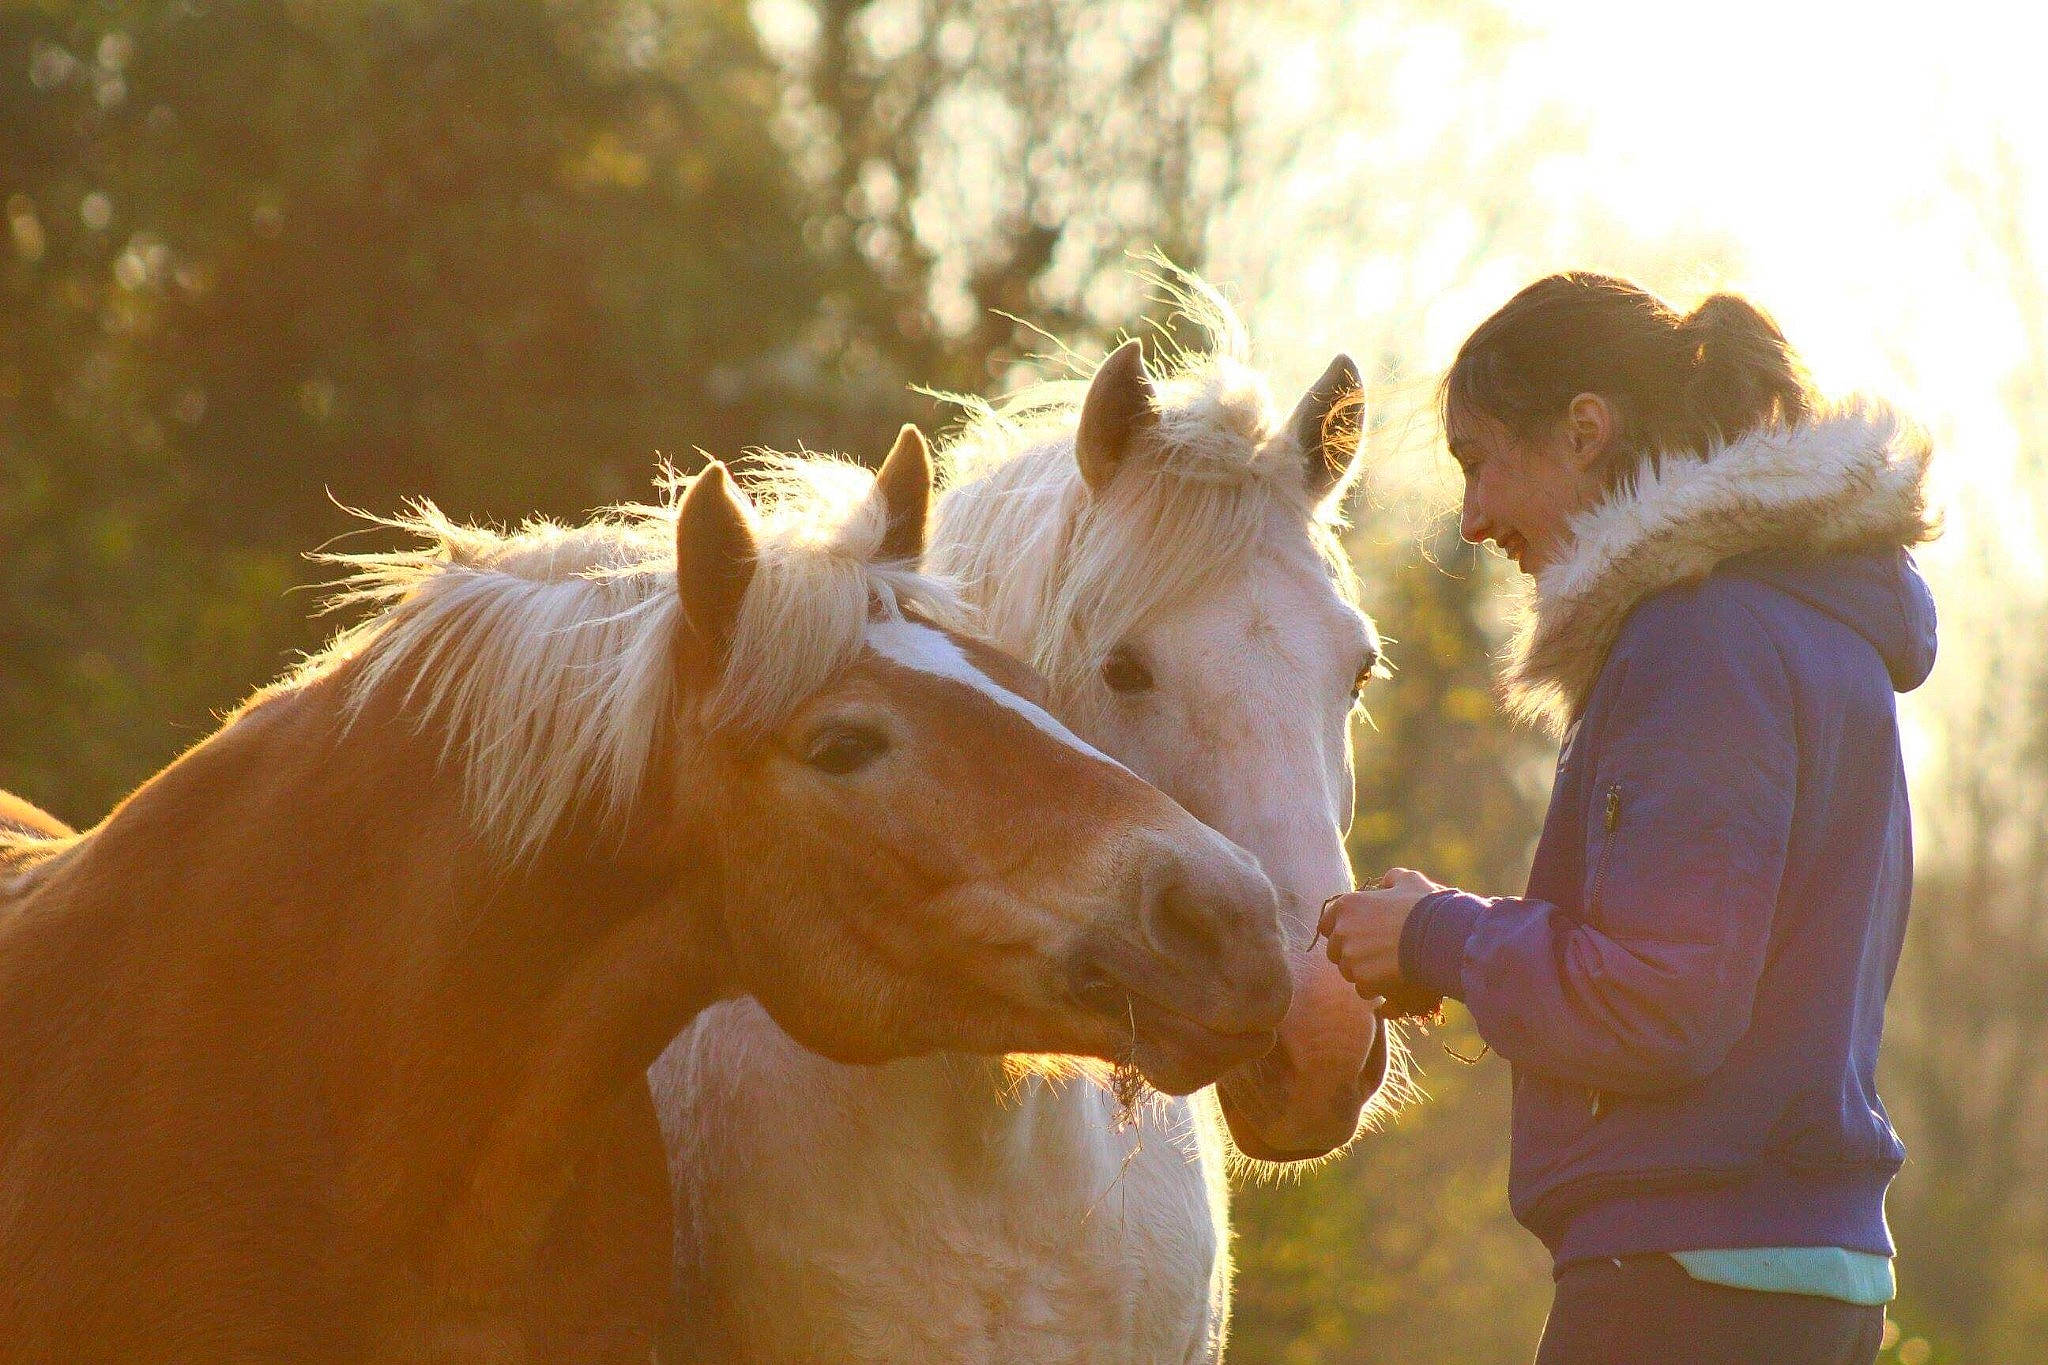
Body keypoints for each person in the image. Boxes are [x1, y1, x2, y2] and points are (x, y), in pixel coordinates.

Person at [1320, 272, 1937, 1365]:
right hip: (1802, 1273)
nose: (1471, 519)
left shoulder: (1698, 636)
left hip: (1688, 1283)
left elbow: (1661, 1003)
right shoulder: (1806, 629)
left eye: (1478, 461)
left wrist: (1439, 935)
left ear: (1583, 430)